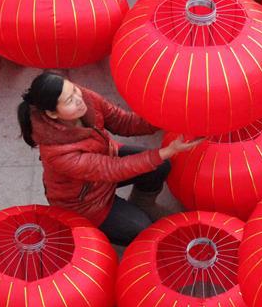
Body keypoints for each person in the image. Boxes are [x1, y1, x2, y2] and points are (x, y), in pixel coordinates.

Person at [17, 72, 203, 246]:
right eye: (69, 100)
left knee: (160, 165)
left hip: (108, 158)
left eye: (74, 89)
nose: (79, 99)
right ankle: (94, 233)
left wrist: (165, 118)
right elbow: (113, 169)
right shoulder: (58, 153)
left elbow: (123, 122)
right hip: (88, 203)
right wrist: (168, 151)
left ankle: (143, 203)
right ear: (52, 114)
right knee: (142, 231)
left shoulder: (85, 98)